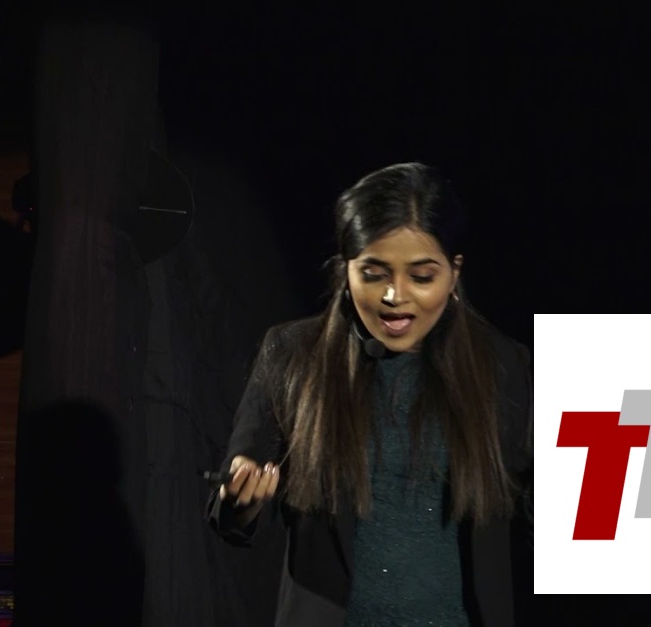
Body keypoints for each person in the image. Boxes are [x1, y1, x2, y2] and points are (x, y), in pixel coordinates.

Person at [205, 162, 533, 627]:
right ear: (346, 269)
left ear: (454, 273)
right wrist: (242, 498)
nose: (395, 296)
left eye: (422, 277)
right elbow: (230, 508)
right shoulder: (292, 354)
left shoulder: (502, 365)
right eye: (374, 273)